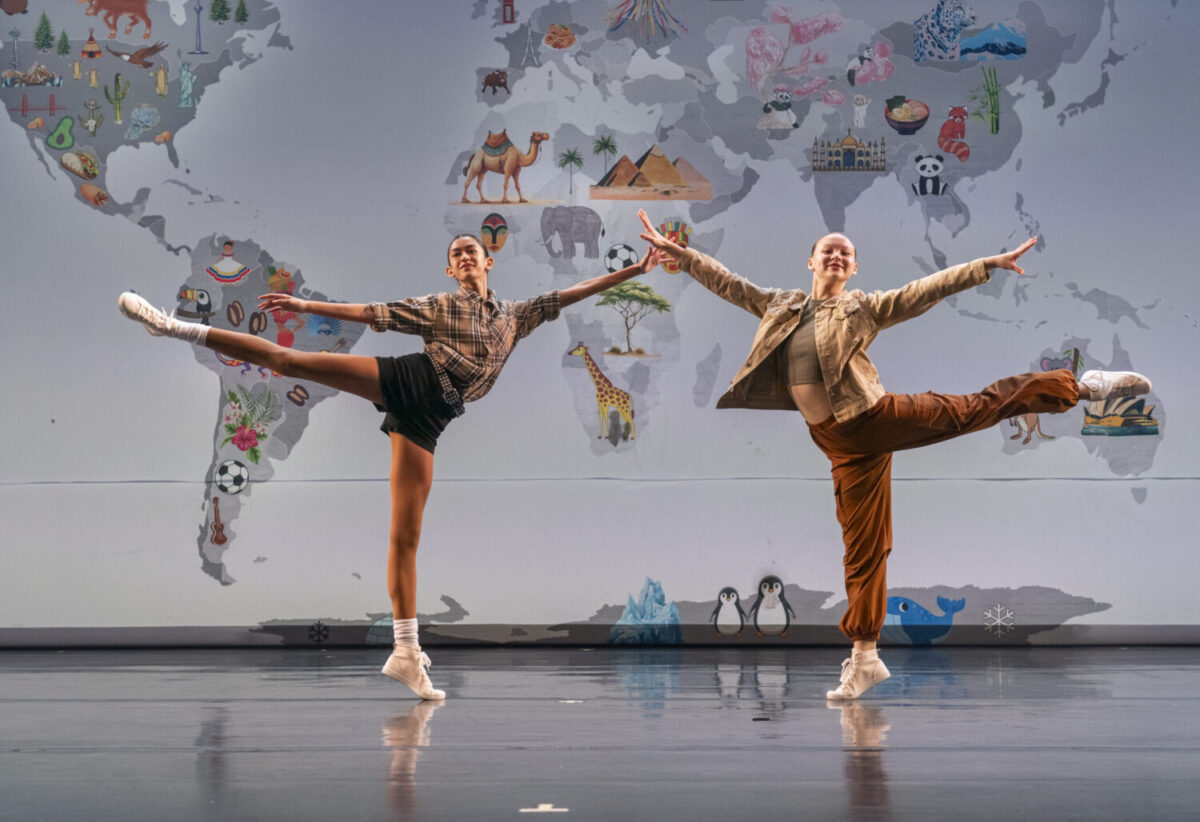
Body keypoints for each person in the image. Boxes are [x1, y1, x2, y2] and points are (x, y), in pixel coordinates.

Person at [119, 234, 668, 700]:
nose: (466, 257)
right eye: (457, 254)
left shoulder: (515, 317)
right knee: (290, 361)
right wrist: (309, 309)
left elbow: (570, 295)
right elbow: (372, 313)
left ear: (488, 262)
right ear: (450, 269)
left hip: (436, 415)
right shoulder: (438, 305)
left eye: (473, 250)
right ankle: (172, 327)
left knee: (405, 536)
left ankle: (406, 653)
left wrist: (632, 271)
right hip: (414, 380)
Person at [637, 209, 1151, 700]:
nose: (836, 257)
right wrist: (680, 253)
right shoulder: (779, 306)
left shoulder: (860, 307)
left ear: (854, 267)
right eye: (827, 251)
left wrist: (983, 267)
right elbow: (729, 283)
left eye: (846, 253)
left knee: (973, 408)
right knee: (864, 547)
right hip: (837, 442)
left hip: (873, 417)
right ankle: (865, 658)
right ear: (811, 262)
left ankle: (1079, 388)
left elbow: (918, 293)